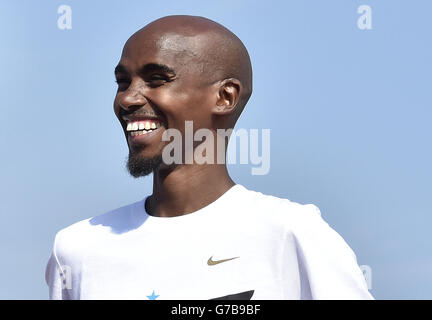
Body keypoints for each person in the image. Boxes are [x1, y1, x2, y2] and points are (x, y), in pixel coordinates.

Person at [45, 15, 373, 300]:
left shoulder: (290, 233)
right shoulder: (78, 248)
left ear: (225, 97)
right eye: (122, 81)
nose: (128, 98)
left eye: (157, 79)